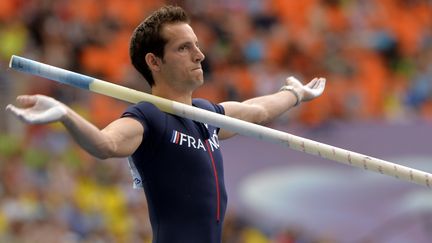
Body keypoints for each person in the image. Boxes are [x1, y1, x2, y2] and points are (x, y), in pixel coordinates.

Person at [6, 5, 325, 243]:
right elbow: (106, 145)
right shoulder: (148, 119)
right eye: (184, 48)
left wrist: (294, 94)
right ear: (154, 62)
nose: (199, 55)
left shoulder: (206, 117)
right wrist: (64, 113)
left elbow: (255, 110)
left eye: (196, 45)